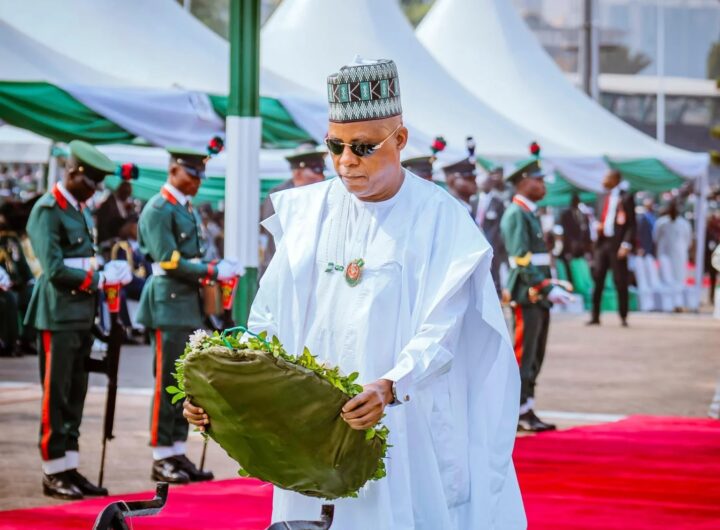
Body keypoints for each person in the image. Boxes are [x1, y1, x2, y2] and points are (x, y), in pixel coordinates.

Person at [185, 57, 525, 529]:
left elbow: (442, 330)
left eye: (364, 147)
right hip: (308, 424)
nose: (346, 161)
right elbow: (268, 321)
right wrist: (224, 389)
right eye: (336, 146)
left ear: (400, 140)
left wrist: (391, 386)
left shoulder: (439, 218)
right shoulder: (307, 213)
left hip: (401, 421)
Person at [24, 140, 132, 500]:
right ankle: (53, 470)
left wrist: (106, 270)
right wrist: (99, 278)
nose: (94, 189)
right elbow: (54, 269)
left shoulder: (78, 210)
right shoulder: (48, 210)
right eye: (91, 182)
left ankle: (69, 465)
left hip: (82, 314)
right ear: (72, 172)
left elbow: (84, 258)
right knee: (56, 395)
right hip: (58, 314)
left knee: (75, 394)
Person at [137, 146, 240, 484]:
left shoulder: (184, 208)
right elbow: (168, 260)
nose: (198, 181)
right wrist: (212, 269)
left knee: (184, 381)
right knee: (165, 381)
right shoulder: (159, 208)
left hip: (187, 304)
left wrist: (215, 268)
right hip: (167, 304)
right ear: (173, 170)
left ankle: (177, 450)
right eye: (192, 174)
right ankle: (160, 455)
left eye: (200, 175)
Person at [500, 160, 574, 433]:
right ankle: (518, 410)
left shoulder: (529, 213)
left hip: (537, 293)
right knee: (524, 354)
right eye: (538, 180)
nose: (543, 186)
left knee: (535, 355)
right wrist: (545, 286)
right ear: (523, 182)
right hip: (527, 293)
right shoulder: (517, 214)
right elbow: (521, 259)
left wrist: (548, 286)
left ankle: (527, 406)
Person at [259, 144, 326, 276]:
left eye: (322, 170)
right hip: (280, 270)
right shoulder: (278, 195)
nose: (322, 176)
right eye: (317, 170)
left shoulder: (319, 195)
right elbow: (275, 232)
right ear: (298, 172)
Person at [587, 170, 636, 327]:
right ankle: (595, 316)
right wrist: (597, 227)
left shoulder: (626, 197)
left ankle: (623, 316)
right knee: (598, 279)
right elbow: (599, 216)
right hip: (602, 244)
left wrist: (626, 244)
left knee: (620, 281)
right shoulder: (602, 196)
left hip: (617, 245)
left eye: (606, 177)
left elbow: (631, 224)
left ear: (615, 179)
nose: (603, 180)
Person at [654, 200, 692, 312]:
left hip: (679, 257)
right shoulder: (661, 223)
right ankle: (666, 305)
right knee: (665, 279)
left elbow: (688, 241)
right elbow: (656, 238)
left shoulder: (684, 224)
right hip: (664, 255)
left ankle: (678, 304)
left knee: (679, 280)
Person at [476, 167, 508, 295]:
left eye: (487, 183)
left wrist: (498, 242)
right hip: (477, 241)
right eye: (482, 183)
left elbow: (501, 224)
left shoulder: (498, 202)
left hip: (493, 242)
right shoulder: (474, 200)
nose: (484, 185)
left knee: (494, 270)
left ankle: (497, 292)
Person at [559, 192, 592, 285]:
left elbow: (587, 230)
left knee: (584, 265)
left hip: (582, 245)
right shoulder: (566, 214)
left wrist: (587, 245)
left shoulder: (583, 214)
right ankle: (571, 284)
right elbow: (566, 231)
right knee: (568, 265)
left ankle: (584, 283)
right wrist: (571, 244)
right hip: (571, 245)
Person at [95, 180, 134, 247]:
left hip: (115, 242)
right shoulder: (109, 204)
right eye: (126, 193)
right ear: (121, 191)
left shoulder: (122, 204)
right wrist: (108, 242)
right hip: (106, 243)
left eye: (128, 194)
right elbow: (102, 225)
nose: (127, 197)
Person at [442, 152, 478, 217]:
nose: (474, 182)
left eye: (474, 178)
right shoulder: (448, 209)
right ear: (452, 179)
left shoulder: (467, 206)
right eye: (469, 178)